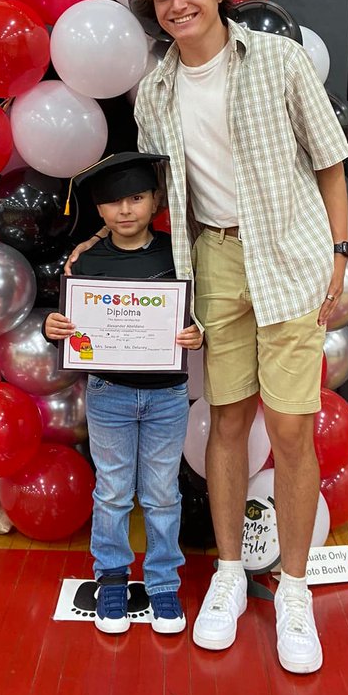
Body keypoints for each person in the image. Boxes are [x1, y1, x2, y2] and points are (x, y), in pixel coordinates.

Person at [71, 0, 348, 674]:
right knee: (227, 420)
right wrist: (90, 261)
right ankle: (228, 575)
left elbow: (330, 161)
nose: (175, 6)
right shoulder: (156, 89)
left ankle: (292, 590)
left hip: (289, 257)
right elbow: (149, 198)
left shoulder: (279, 60)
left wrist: (338, 252)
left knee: (291, 429)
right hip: (215, 261)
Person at [44, 152, 203, 637]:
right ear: (98, 209)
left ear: (156, 200)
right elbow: (73, 325)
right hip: (109, 392)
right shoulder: (86, 262)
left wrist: (196, 332)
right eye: (113, 202)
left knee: (161, 495)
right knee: (112, 493)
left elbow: (200, 314)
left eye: (136, 197)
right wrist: (55, 329)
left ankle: (162, 583)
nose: (126, 210)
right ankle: (111, 577)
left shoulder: (178, 255)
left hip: (167, 394)